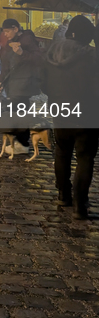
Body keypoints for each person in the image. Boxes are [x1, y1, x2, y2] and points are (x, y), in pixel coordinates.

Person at [42, 15, 99, 219]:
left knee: (62, 152)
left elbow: (43, 83)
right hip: (88, 112)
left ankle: (63, 195)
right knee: (84, 157)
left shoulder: (51, 51)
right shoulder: (92, 55)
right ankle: (79, 205)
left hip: (61, 110)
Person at [0, 29, 44, 155]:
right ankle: (20, 143)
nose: (5, 34)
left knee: (18, 113)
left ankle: (22, 144)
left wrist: (22, 53)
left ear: (15, 29)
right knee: (17, 113)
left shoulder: (27, 40)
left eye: (7, 31)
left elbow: (38, 59)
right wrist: (0, 80)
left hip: (23, 84)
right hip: (14, 85)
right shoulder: (10, 43)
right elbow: (6, 64)